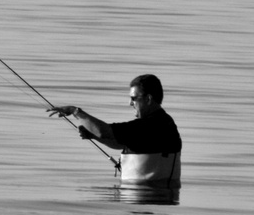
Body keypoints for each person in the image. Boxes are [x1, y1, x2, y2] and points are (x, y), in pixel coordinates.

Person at [48, 74, 181, 189]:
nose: (130, 103)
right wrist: (93, 136)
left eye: (134, 98)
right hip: (153, 199)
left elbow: (103, 131)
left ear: (148, 99)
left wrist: (75, 111)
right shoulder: (163, 123)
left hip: (145, 200)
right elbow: (120, 144)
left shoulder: (151, 125)